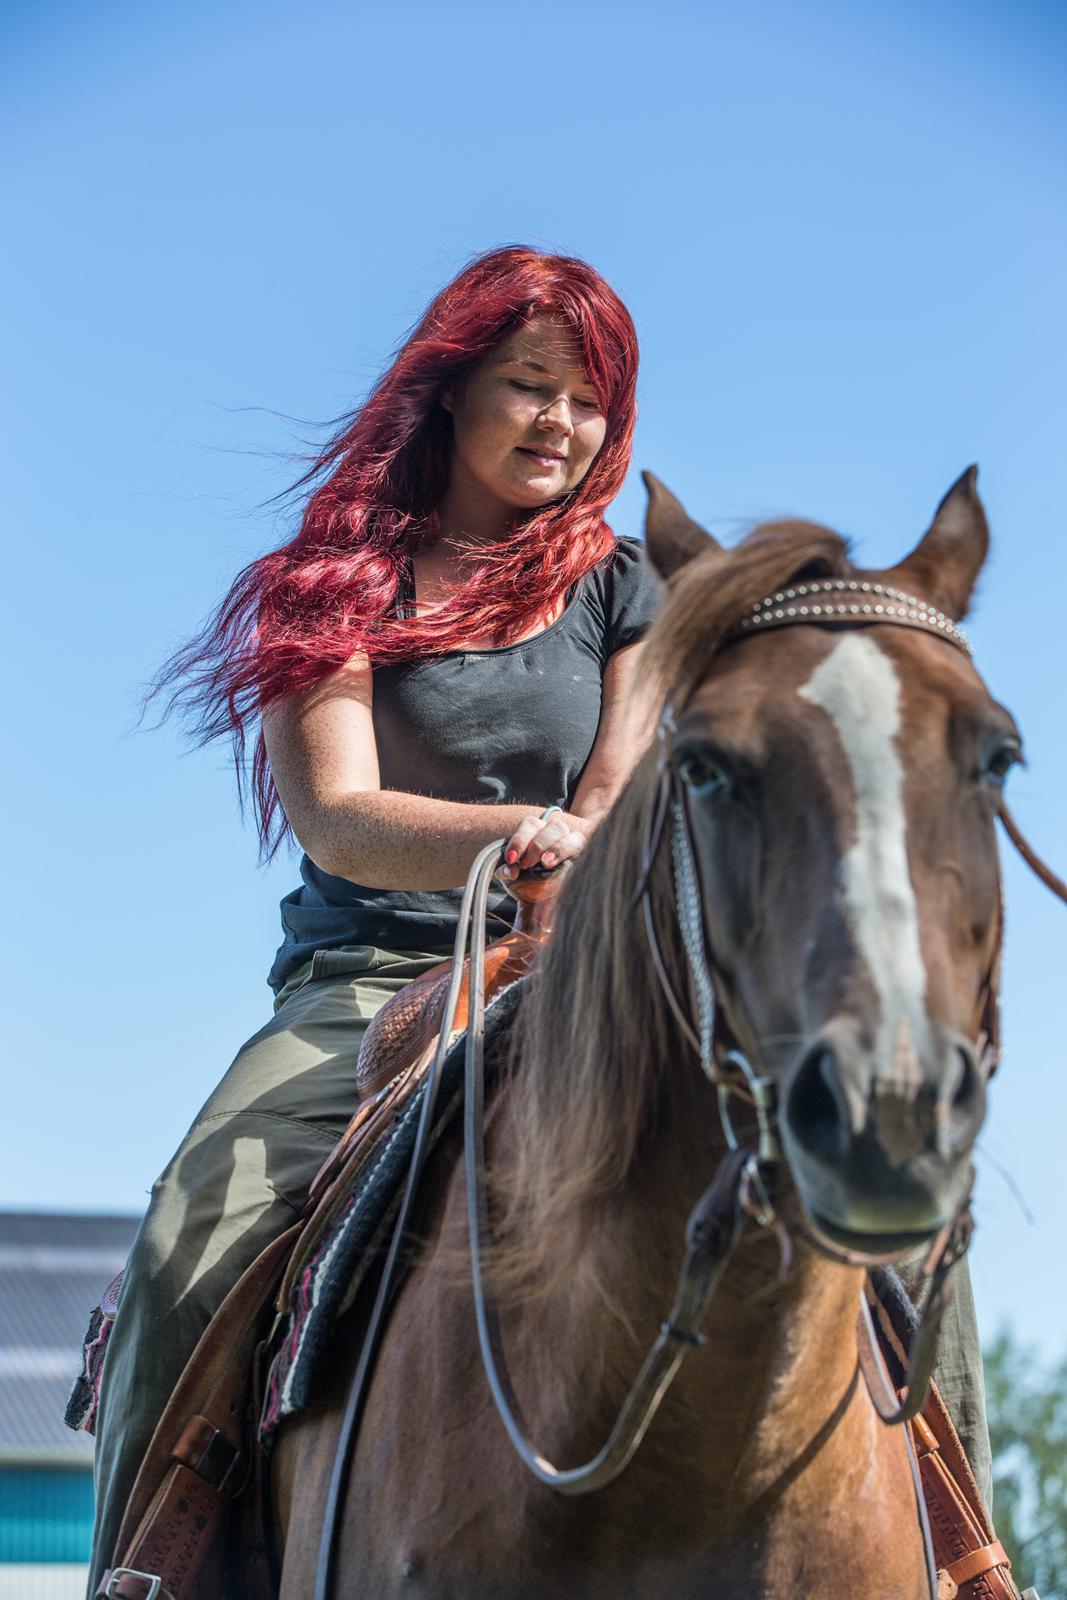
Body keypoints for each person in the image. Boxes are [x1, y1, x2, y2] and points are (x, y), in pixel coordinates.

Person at [87, 245, 662, 1592]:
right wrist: (516, 842)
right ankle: (146, 1567)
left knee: (849, 1194)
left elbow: (618, 788)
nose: (561, 426)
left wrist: (575, 862)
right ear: (449, 389)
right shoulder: (329, 585)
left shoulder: (627, 588)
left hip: (583, 970)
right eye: (531, 385)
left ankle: (964, 1554)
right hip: (371, 975)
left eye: (592, 402)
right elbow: (341, 815)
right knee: (191, 1234)